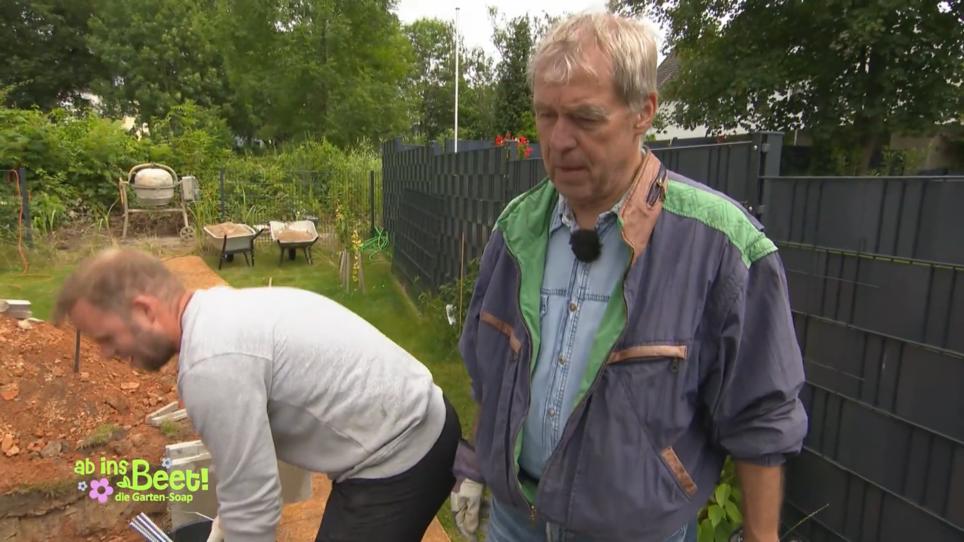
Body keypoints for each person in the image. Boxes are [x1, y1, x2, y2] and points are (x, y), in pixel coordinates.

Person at [450, 12, 807, 542]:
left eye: (585, 118)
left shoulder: (720, 244)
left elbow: (761, 412)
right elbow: (492, 369)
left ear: (644, 112)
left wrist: (760, 536)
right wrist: (477, 467)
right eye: (546, 115)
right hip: (515, 521)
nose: (559, 140)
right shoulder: (517, 228)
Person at [53, 248, 460, 542]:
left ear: (144, 311)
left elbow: (256, 506)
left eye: (107, 338)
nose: (106, 353)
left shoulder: (210, 364)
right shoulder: (216, 312)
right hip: (422, 422)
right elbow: (243, 477)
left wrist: (237, 523)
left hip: (401, 458)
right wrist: (223, 528)